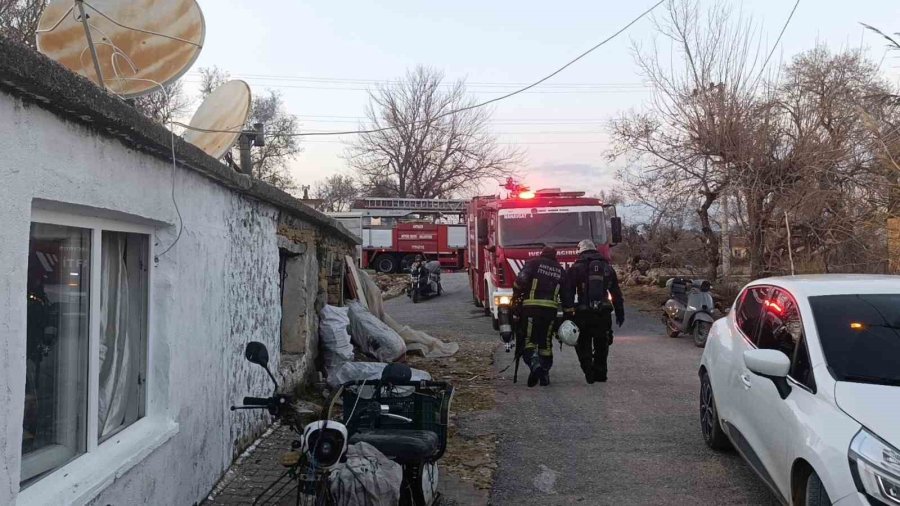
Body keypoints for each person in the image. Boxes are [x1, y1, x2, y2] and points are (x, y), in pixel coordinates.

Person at [562, 239, 624, 384]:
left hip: (583, 313)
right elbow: (616, 292)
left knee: (583, 343)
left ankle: (588, 370)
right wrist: (619, 312)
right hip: (603, 312)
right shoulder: (607, 268)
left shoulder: (576, 268)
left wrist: (568, 311)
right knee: (602, 342)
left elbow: (568, 291)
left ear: (580, 251)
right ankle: (601, 373)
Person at [512, 246, 565, 387]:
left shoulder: (533, 263)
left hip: (531, 309)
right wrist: (568, 312)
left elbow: (520, 282)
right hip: (550, 312)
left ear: (542, 254)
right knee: (545, 343)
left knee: (528, 340)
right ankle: (544, 373)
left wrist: (516, 296)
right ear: (555, 256)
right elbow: (566, 293)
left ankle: (535, 364)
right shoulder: (560, 270)